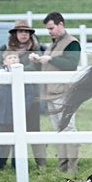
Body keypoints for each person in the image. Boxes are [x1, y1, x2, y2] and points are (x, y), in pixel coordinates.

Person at [29, 12, 81, 173]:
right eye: (48, 29)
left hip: (65, 92)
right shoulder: (53, 44)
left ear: (61, 25)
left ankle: (72, 166)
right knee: (59, 129)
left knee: (69, 128)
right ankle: (62, 165)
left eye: (51, 28)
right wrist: (38, 61)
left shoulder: (72, 43)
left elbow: (71, 63)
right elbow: (50, 66)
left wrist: (50, 59)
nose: (49, 31)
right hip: (51, 92)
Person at [0, 19, 46, 167]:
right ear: (15, 33)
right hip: (8, 97)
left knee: (33, 129)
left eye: (27, 32)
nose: (24, 34)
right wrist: (2, 71)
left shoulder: (35, 49)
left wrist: (16, 69)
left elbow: (35, 67)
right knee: (5, 130)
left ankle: (41, 164)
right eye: (21, 31)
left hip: (31, 95)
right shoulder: (5, 47)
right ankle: (0, 165)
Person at [0, 50, 39, 171]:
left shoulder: (23, 75)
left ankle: (16, 166)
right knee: (2, 142)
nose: (13, 60)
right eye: (10, 58)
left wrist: (24, 108)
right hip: (2, 116)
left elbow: (29, 94)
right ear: (4, 62)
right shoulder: (0, 76)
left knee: (18, 143)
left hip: (18, 116)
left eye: (15, 57)